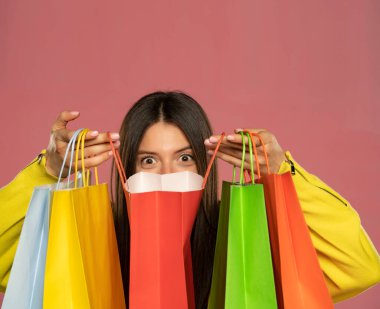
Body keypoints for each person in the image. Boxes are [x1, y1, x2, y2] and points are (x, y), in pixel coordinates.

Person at [0, 91, 379, 308]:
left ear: (207, 164)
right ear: (125, 171)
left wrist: (281, 174)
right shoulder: (91, 240)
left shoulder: (245, 241)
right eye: (148, 161)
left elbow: (360, 266)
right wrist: (48, 170)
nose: (166, 176)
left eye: (184, 158)